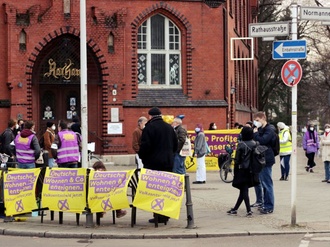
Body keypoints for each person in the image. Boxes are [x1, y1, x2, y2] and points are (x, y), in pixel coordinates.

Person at [138, 107, 178, 224]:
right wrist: (170, 156)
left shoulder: (149, 128)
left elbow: (145, 146)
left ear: (150, 116)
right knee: (165, 190)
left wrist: (142, 157)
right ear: (160, 115)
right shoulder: (169, 128)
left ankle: (157, 215)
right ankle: (165, 214)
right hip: (167, 163)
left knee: (155, 190)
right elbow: (176, 145)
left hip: (153, 164)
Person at [227, 126, 257, 217]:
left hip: (242, 169)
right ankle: (235, 209)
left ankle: (249, 211)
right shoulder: (255, 143)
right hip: (251, 169)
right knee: (243, 190)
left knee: (244, 190)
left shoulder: (241, 144)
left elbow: (237, 159)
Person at [251, 111, 276, 214]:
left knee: (267, 183)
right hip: (262, 158)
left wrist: (256, 133)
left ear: (263, 119)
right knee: (264, 182)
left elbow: (263, 140)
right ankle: (265, 204)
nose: (256, 122)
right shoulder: (262, 129)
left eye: (257, 120)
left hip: (266, 159)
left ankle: (269, 206)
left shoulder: (269, 129)